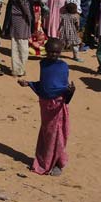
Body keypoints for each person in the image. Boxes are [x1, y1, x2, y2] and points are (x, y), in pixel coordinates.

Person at [18, 38, 75, 176]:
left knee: (57, 135)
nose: (53, 55)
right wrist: (29, 84)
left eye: (56, 52)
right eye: (50, 52)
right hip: (45, 106)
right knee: (46, 133)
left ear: (60, 52)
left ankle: (57, 163)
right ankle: (44, 161)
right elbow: (44, 85)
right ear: (46, 51)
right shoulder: (43, 64)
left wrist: (71, 91)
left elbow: (63, 89)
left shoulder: (63, 66)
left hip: (58, 105)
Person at [3, 0, 33, 77]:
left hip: (16, 27)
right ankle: (19, 70)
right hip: (21, 27)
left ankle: (16, 70)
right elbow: (28, 15)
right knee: (22, 49)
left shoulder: (13, 0)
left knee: (16, 48)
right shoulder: (23, 1)